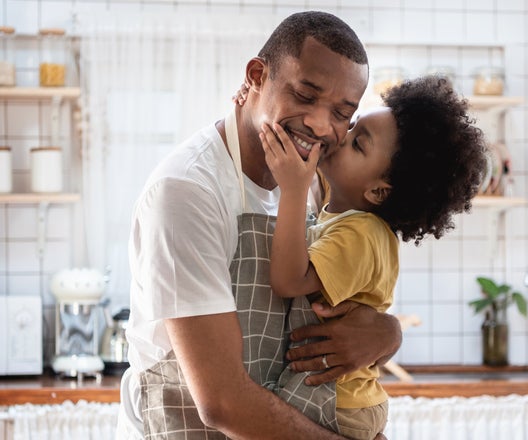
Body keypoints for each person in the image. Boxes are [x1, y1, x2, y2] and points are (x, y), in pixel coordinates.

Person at [117, 12, 401, 439]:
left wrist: (388, 334)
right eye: (305, 95)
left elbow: (353, 297)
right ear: (256, 75)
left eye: (343, 113)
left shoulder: (314, 179)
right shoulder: (186, 191)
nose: (322, 126)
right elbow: (223, 403)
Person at [260, 76, 487, 439]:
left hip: (338, 404)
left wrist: (293, 187)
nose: (339, 136)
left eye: (357, 143)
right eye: (351, 125)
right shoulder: (344, 215)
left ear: (379, 191)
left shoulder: (360, 234)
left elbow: (288, 280)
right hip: (342, 399)